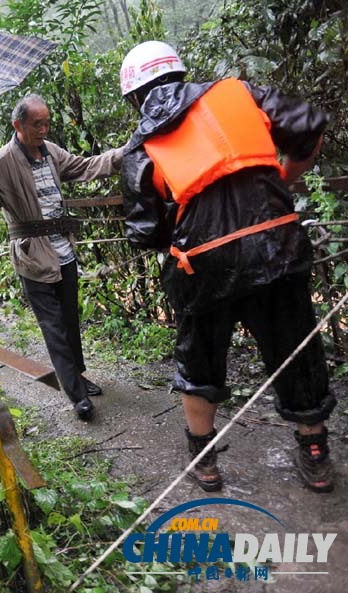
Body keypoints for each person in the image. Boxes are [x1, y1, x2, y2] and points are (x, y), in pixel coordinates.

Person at [118, 41, 335, 492]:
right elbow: (309, 127)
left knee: (199, 356)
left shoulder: (141, 149)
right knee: (295, 347)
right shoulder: (238, 94)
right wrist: (281, 179)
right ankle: (315, 452)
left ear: (135, 97)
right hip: (278, 244)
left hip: (203, 263)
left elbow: (145, 233)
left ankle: (204, 457)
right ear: (180, 75)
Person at [0, 94, 123, 421]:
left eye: (47, 123)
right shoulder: (2, 162)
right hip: (33, 258)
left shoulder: (51, 152)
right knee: (53, 328)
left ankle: (77, 375)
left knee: (69, 320)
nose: (43, 129)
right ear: (18, 125)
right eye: (37, 124)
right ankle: (77, 396)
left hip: (63, 252)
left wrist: (124, 154)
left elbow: (84, 167)